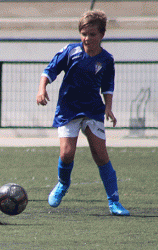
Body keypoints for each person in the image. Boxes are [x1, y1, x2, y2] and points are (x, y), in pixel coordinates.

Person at [36, 10, 129, 216]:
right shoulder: (70, 51)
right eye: (83, 34)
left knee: (100, 154)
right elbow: (49, 71)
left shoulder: (107, 59)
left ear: (102, 35)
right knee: (67, 153)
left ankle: (114, 202)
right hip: (68, 108)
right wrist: (42, 89)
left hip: (93, 108)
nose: (87, 38)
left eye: (92, 34)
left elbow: (108, 85)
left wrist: (108, 107)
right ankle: (62, 184)